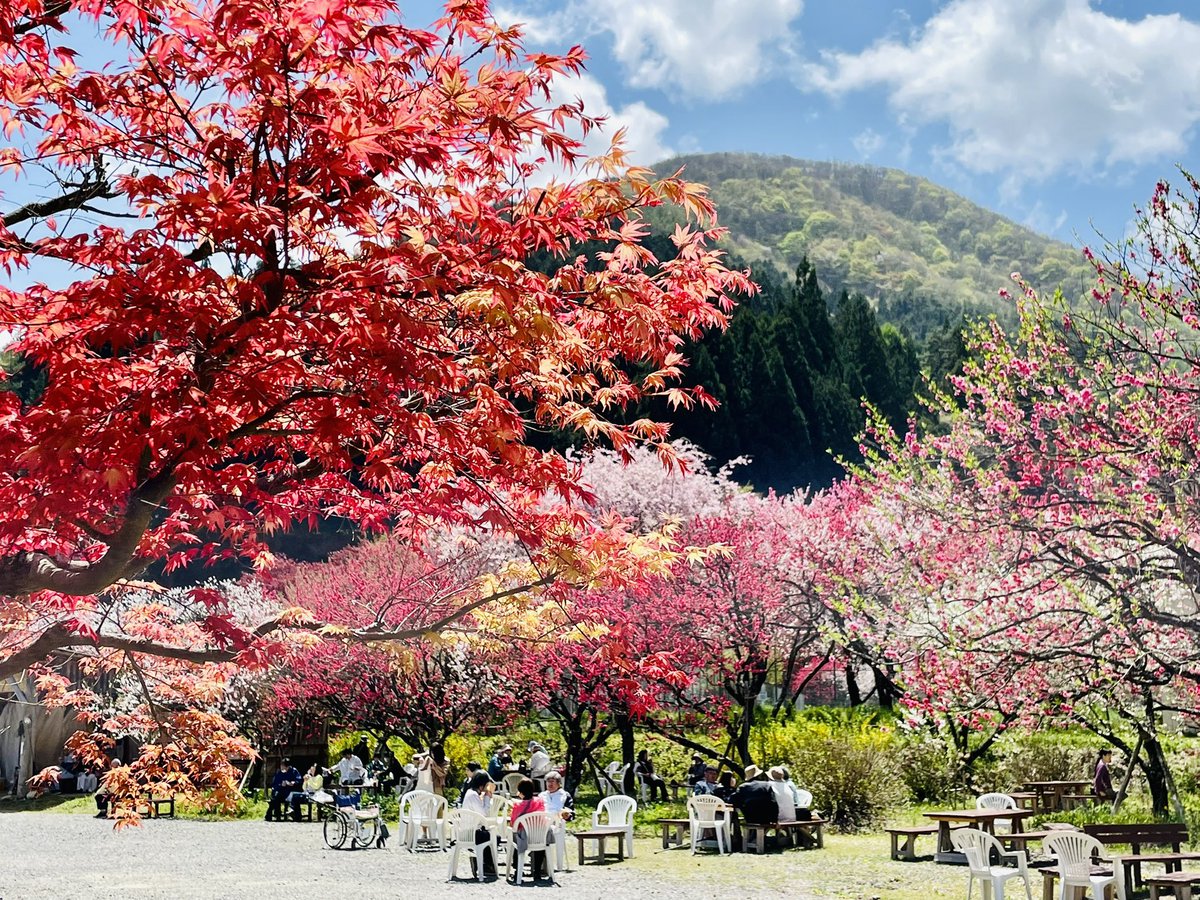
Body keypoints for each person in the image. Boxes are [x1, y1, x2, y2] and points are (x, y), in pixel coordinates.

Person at [508, 778, 547, 883]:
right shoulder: (540, 801)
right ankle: (537, 872)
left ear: (520, 791)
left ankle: (517, 870)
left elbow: (513, 824)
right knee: (539, 847)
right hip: (539, 835)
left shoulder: (518, 805)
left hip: (524, 838)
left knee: (515, 839)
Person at [461, 771, 497, 877]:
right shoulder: (473, 796)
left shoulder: (471, 793)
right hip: (471, 832)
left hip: (468, 830)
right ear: (482, 785)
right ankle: (486, 865)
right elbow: (484, 814)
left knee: (489, 835)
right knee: (494, 837)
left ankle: (485, 863)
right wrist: (487, 798)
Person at [266, 758, 302, 822]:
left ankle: (297, 816)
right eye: (282, 766)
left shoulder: (294, 771)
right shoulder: (279, 773)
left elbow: (299, 780)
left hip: (291, 791)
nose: (282, 768)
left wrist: (293, 783)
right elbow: (275, 784)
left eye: (284, 766)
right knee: (276, 798)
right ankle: (275, 815)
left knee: (295, 797)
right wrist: (281, 784)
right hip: (282, 791)